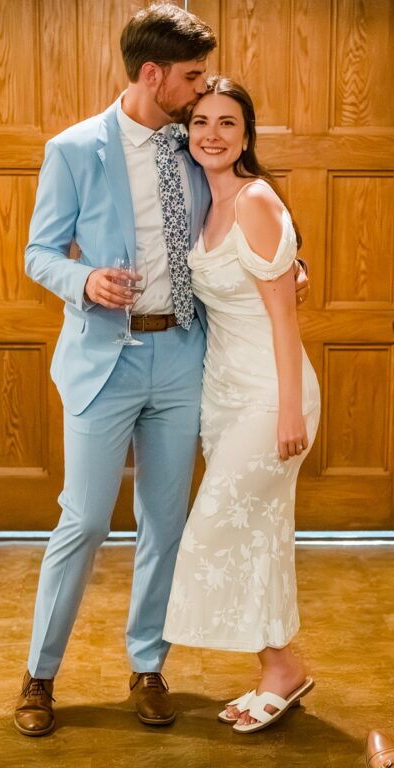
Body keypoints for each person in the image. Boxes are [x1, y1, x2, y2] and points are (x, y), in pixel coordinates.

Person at [14, 3, 216, 737]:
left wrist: (290, 263)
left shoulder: (199, 144)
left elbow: (239, 214)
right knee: (87, 519)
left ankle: (148, 664)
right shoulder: (74, 149)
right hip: (105, 361)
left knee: (166, 522)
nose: (201, 90)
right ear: (152, 74)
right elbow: (38, 253)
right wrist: (85, 279)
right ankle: (39, 675)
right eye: (192, 77)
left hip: (182, 357)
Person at [161, 76, 320, 734]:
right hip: (222, 394)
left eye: (227, 123)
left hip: (270, 393)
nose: (212, 134)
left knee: (215, 530)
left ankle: (280, 665)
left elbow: (284, 319)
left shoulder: (255, 199)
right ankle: (281, 669)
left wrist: (289, 410)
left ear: (246, 135)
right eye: (200, 121)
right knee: (259, 533)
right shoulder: (202, 203)